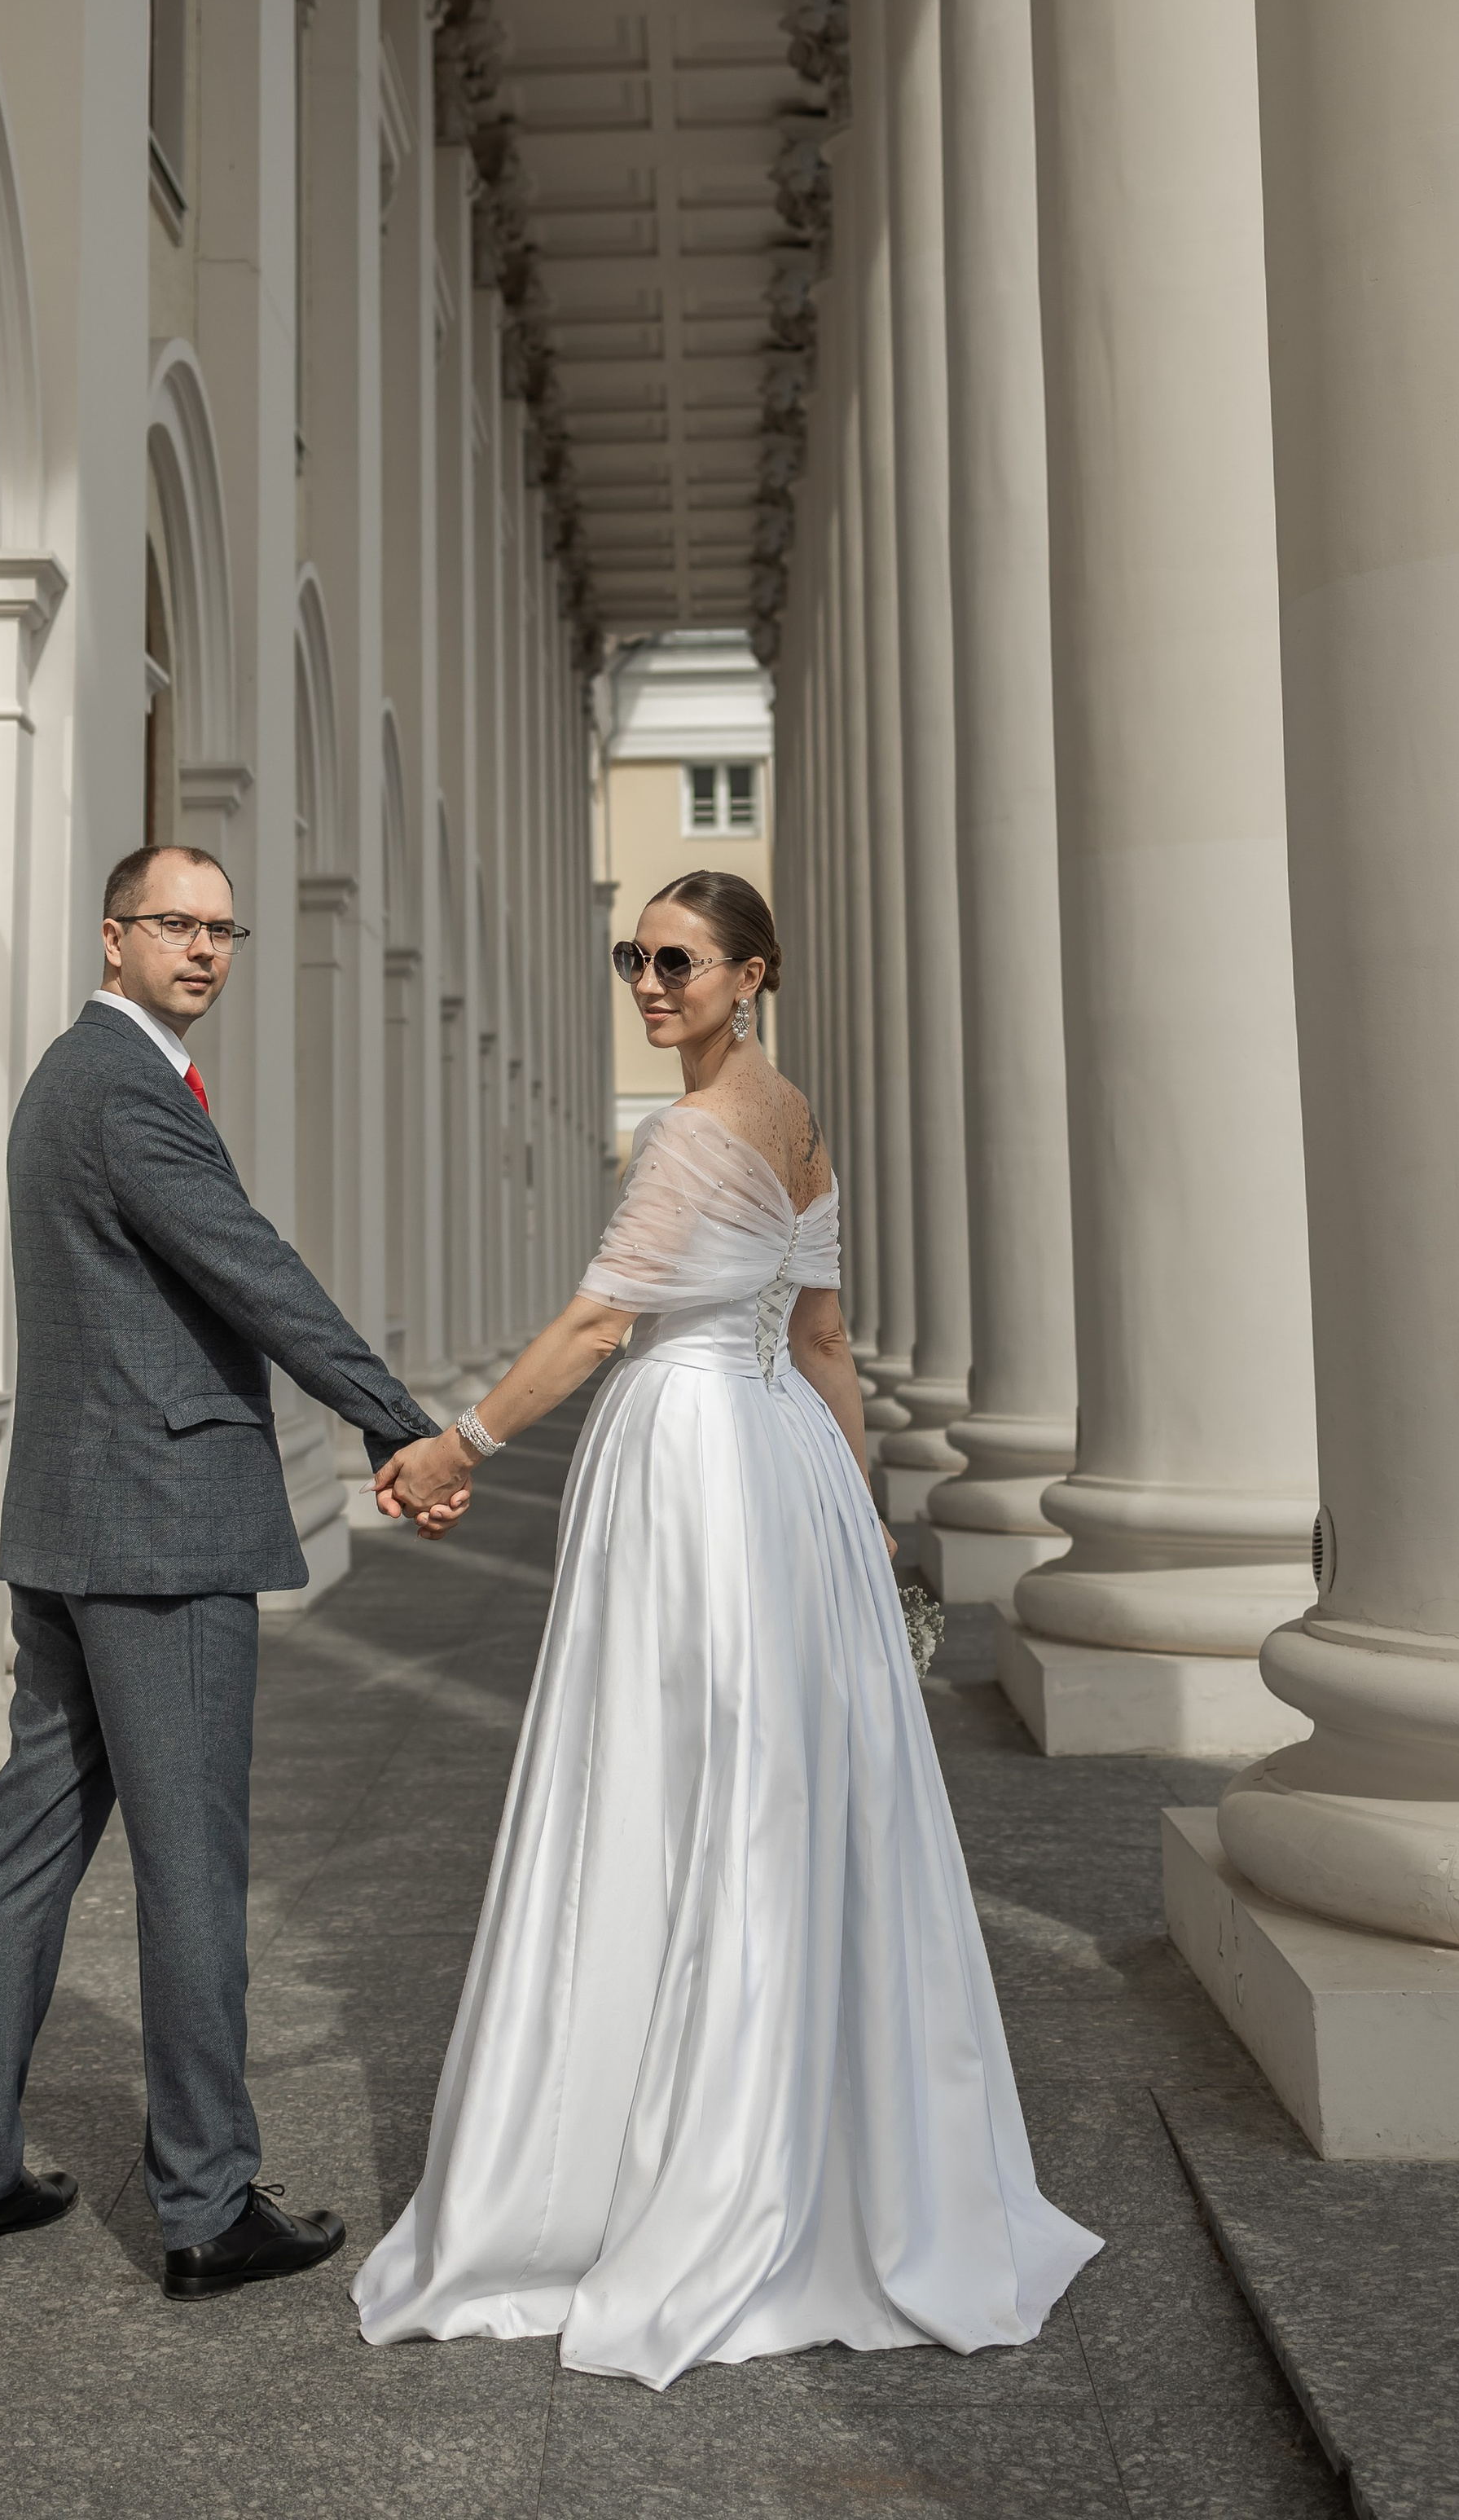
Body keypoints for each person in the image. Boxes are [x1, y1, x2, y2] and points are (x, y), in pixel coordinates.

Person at [353, 871, 1101, 2389]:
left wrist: (454, 1450)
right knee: (772, 1793)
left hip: (693, 1471)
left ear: (750, 973)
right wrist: (864, 1512)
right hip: (782, 1471)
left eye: (678, 962)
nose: (648, 982)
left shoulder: (691, 1133)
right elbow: (821, 1343)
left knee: (664, 1782)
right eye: (635, 956)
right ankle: (798, 2137)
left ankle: (672, 2166)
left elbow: (592, 1327)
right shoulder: (796, 1119)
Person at [0, 843, 440, 2297]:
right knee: (193, 1868)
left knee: (27, 1846)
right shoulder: (126, 1091)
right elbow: (252, 1269)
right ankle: (207, 2208)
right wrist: (400, 1422)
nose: (205, 949)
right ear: (113, 936)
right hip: (161, 1529)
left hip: (75, 1524)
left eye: (223, 929)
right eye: (176, 925)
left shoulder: (66, 1083)